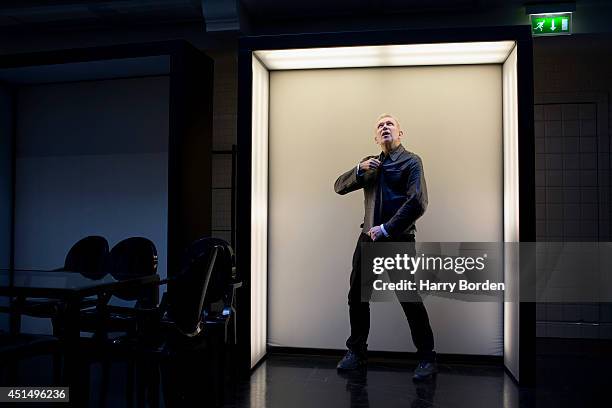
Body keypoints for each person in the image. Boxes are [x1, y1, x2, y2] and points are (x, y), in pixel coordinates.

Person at [334, 113, 437, 381]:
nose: (385, 127)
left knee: (409, 299)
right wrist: (358, 169)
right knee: (356, 297)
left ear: (400, 133)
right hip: (368, 238)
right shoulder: (369, 164)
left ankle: (427, 357)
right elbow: (338, 187)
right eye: (380, 125)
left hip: (398, 239)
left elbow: (418, 202)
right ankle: (356, 352)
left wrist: (388, 228)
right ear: (375, 137)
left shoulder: (412, 161)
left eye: (390, 123)